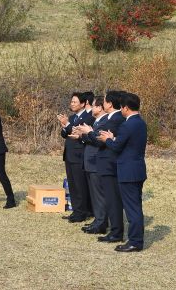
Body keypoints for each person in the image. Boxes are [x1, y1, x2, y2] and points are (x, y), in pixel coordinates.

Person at [99, 93, 147, 252]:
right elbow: (127, 143)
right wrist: (114, 138)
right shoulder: (141, 123)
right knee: (136, 206)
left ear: (126, 108)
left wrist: (108, 140)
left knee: (132, 208)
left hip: (127, 171)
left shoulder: (127, 125)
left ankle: (134, 241)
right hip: (138, 169)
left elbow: (116, 147)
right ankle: (136, 239)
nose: (121, 111)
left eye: (122, 108)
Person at [84, 91, 125, 243]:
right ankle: (114, 230)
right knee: (109, 198)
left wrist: (89, 132)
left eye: (105, 101)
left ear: (109, 104)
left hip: (110, 164)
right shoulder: (111, 118)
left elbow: (99, 139)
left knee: (112, 200)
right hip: (104, 163)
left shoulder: (115, 119)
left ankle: (116, 232)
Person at [57, 92, 94, 222]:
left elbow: (75, 132)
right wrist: (64, 126)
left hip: (79, 155)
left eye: (75, 102)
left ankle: (82, 212)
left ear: (83, 104)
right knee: (72, 185)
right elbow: (65, 133)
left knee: (80, 185)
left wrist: (67, 125)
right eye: (71, 102)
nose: (72, 104)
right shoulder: (72, 117)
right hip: (69, 155)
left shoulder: (88, 117)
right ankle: (76, 211)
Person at [74, 96, 108, 234]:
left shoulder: (105, 122)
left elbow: (98, 141)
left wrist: (89, 132)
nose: (91, 109)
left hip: (96, 162)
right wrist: (82, 135)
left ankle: (101, 222)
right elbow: (91, 139)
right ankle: (97, 220)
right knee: (94, 195)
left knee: (99, 195)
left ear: (100, 108)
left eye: (94, 106)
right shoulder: (96, 121)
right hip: (90, 162)